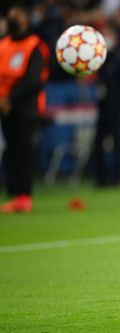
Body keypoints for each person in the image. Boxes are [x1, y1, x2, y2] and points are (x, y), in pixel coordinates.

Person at [0, 4, 49, 213]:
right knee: (10, 150)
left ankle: (24, 196)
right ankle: (13, 193)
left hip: (26, 107)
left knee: (23, 150)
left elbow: (33, 80)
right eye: (10, 15)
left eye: (16, 16)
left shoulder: (34, 45)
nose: (12, 19)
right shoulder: (3, 45)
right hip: (4, 106)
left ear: (26, 20)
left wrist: (9, 98)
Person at [93, 25, 120, 187]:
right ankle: (101, 177)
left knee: (116, 141)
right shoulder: (100, 59)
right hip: (103, 105)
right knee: (99, 141)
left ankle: (117, 177)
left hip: (115, 105)